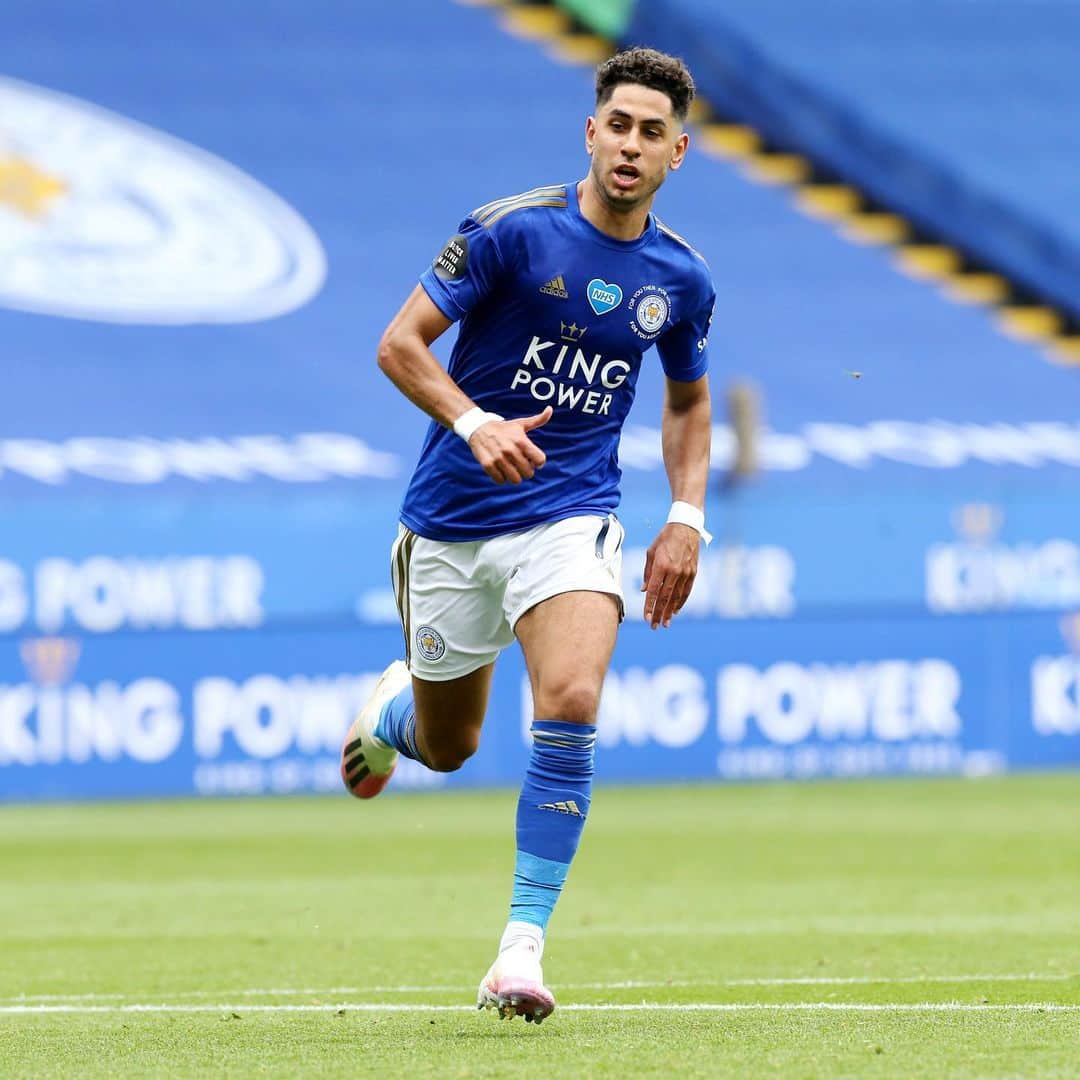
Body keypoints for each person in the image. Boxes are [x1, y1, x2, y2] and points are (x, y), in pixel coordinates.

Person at [340, 46, 715, 1024]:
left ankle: (519, 952)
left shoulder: (679, 277)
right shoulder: (509, 233)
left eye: (652, 134)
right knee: (451, 745)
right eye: (617, 127)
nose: (631, 146)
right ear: (591, 134)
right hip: (455, 520)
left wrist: (686, 515)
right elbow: (398, 345)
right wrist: (475, 423)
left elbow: (688, 402)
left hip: (572, 511)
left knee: (574, 696)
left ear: (681, 152)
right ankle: (393, 718)